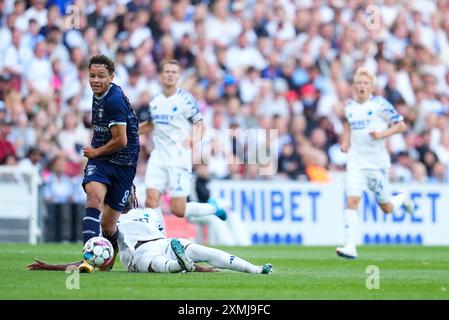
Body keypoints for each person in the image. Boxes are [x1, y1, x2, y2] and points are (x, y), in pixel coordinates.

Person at [27, 186, 272, 275]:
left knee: (207, 252)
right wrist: (53, 266)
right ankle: (183, 264)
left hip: (165, 243)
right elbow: (99, 261)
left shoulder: (150, 212)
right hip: (140, 254)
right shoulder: (112, 224)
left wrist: (202, 268)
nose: (129, 195)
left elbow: (165, 238)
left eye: (130, 191)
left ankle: (255, 269)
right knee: (161, 265)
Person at [336, 67, 416, 259]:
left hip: (376, 164)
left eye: (366, 83)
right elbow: (347, 123)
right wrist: (346, 141)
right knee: (352, 200)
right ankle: (350, 246)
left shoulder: (380, 104)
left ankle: (402, 197)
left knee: (386, 207)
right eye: (359, 83)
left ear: (372, 87)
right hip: (355, 163)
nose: (362, 86)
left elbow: (401, 124)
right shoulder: (349, 107)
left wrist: (382, 134)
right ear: (354, 87)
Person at [138, 59, 227, 227]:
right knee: (151, 201)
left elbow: (200, 125)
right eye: (167, 72)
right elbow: (151, 125)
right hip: (158, 156)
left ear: (178, 77)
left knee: (178, 210)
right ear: (161, 75)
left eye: (174, 72)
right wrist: (131, 131)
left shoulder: (186, 100)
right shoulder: (155, 101)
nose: (170, 75)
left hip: (178, 158)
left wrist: (193, 139)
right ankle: (160, 241)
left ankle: (212, 208)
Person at [78, 55, 140, 273]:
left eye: (101, 76)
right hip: (103, 161)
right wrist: (97, 153)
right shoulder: (98, 94)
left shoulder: (114, 99)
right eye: (92, 76)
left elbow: (121, 140)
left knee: (108, 226)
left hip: (124, 162)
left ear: (112, 77)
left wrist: (95, 151)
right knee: (93, 199)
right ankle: (88, 258)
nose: (95, 80)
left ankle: (111, 251)